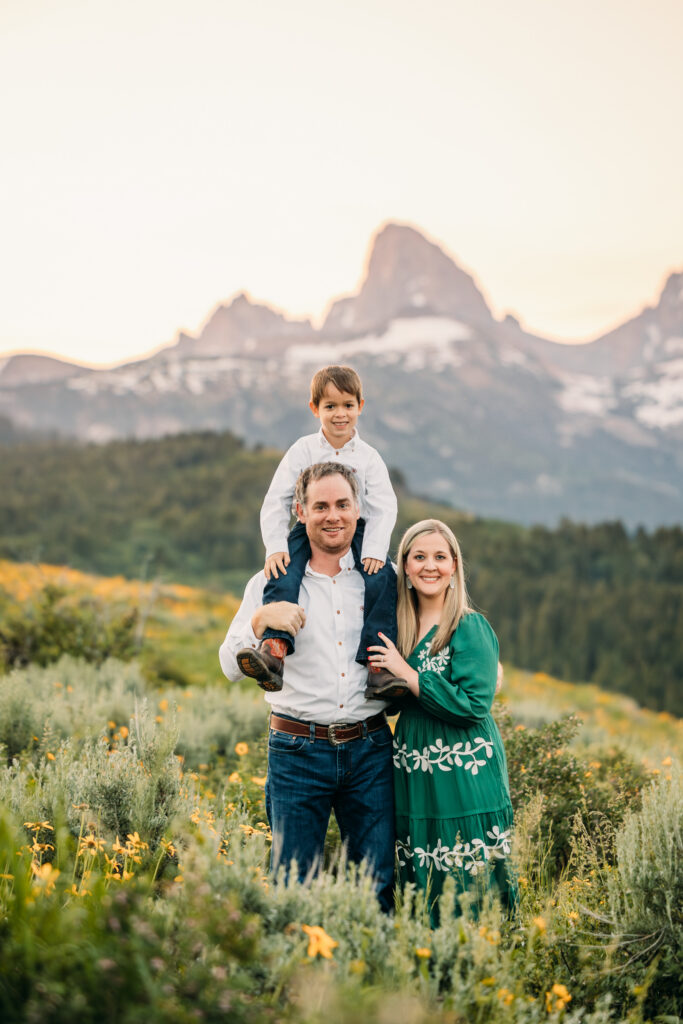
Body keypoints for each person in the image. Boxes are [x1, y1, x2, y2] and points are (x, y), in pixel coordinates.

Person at [219, 462, 396, 911]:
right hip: (297, 752)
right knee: (292, 890)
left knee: (375, 887)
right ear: (300, 512)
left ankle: (370, 979)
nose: (332, 515)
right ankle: (297, 981)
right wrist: (260, 621)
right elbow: (228, 665)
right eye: (320, 506)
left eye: (342, 504)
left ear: (359, 510)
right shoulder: (269, 582)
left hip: (371, 749)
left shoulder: (382, 578)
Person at [367, 519, 515, 922]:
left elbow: (474, 705)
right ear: (406, 569)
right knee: (424, 865)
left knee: (471, 872)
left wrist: (409, 675)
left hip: (466, 769)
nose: (429, 565)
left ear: (454, 567)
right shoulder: (397, 631)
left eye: (440, 557)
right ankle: (426, 967)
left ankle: (483, 963)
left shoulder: (469, 626)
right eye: (419, 557)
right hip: (414, 767)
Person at [235, 365, 403, 698]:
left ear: (360, 406)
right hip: (307, 529)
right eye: (330, 406)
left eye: (347, 405)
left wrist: (373, 550)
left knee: (382, 582)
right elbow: (276, 500)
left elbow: (385, 506)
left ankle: (379, 667)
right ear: (315, 409)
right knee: (284, 574)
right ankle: (274, 649)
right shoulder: (302, 451)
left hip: (359, 532)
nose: (340, 414)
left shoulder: (369, 458)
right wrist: (276, 546)